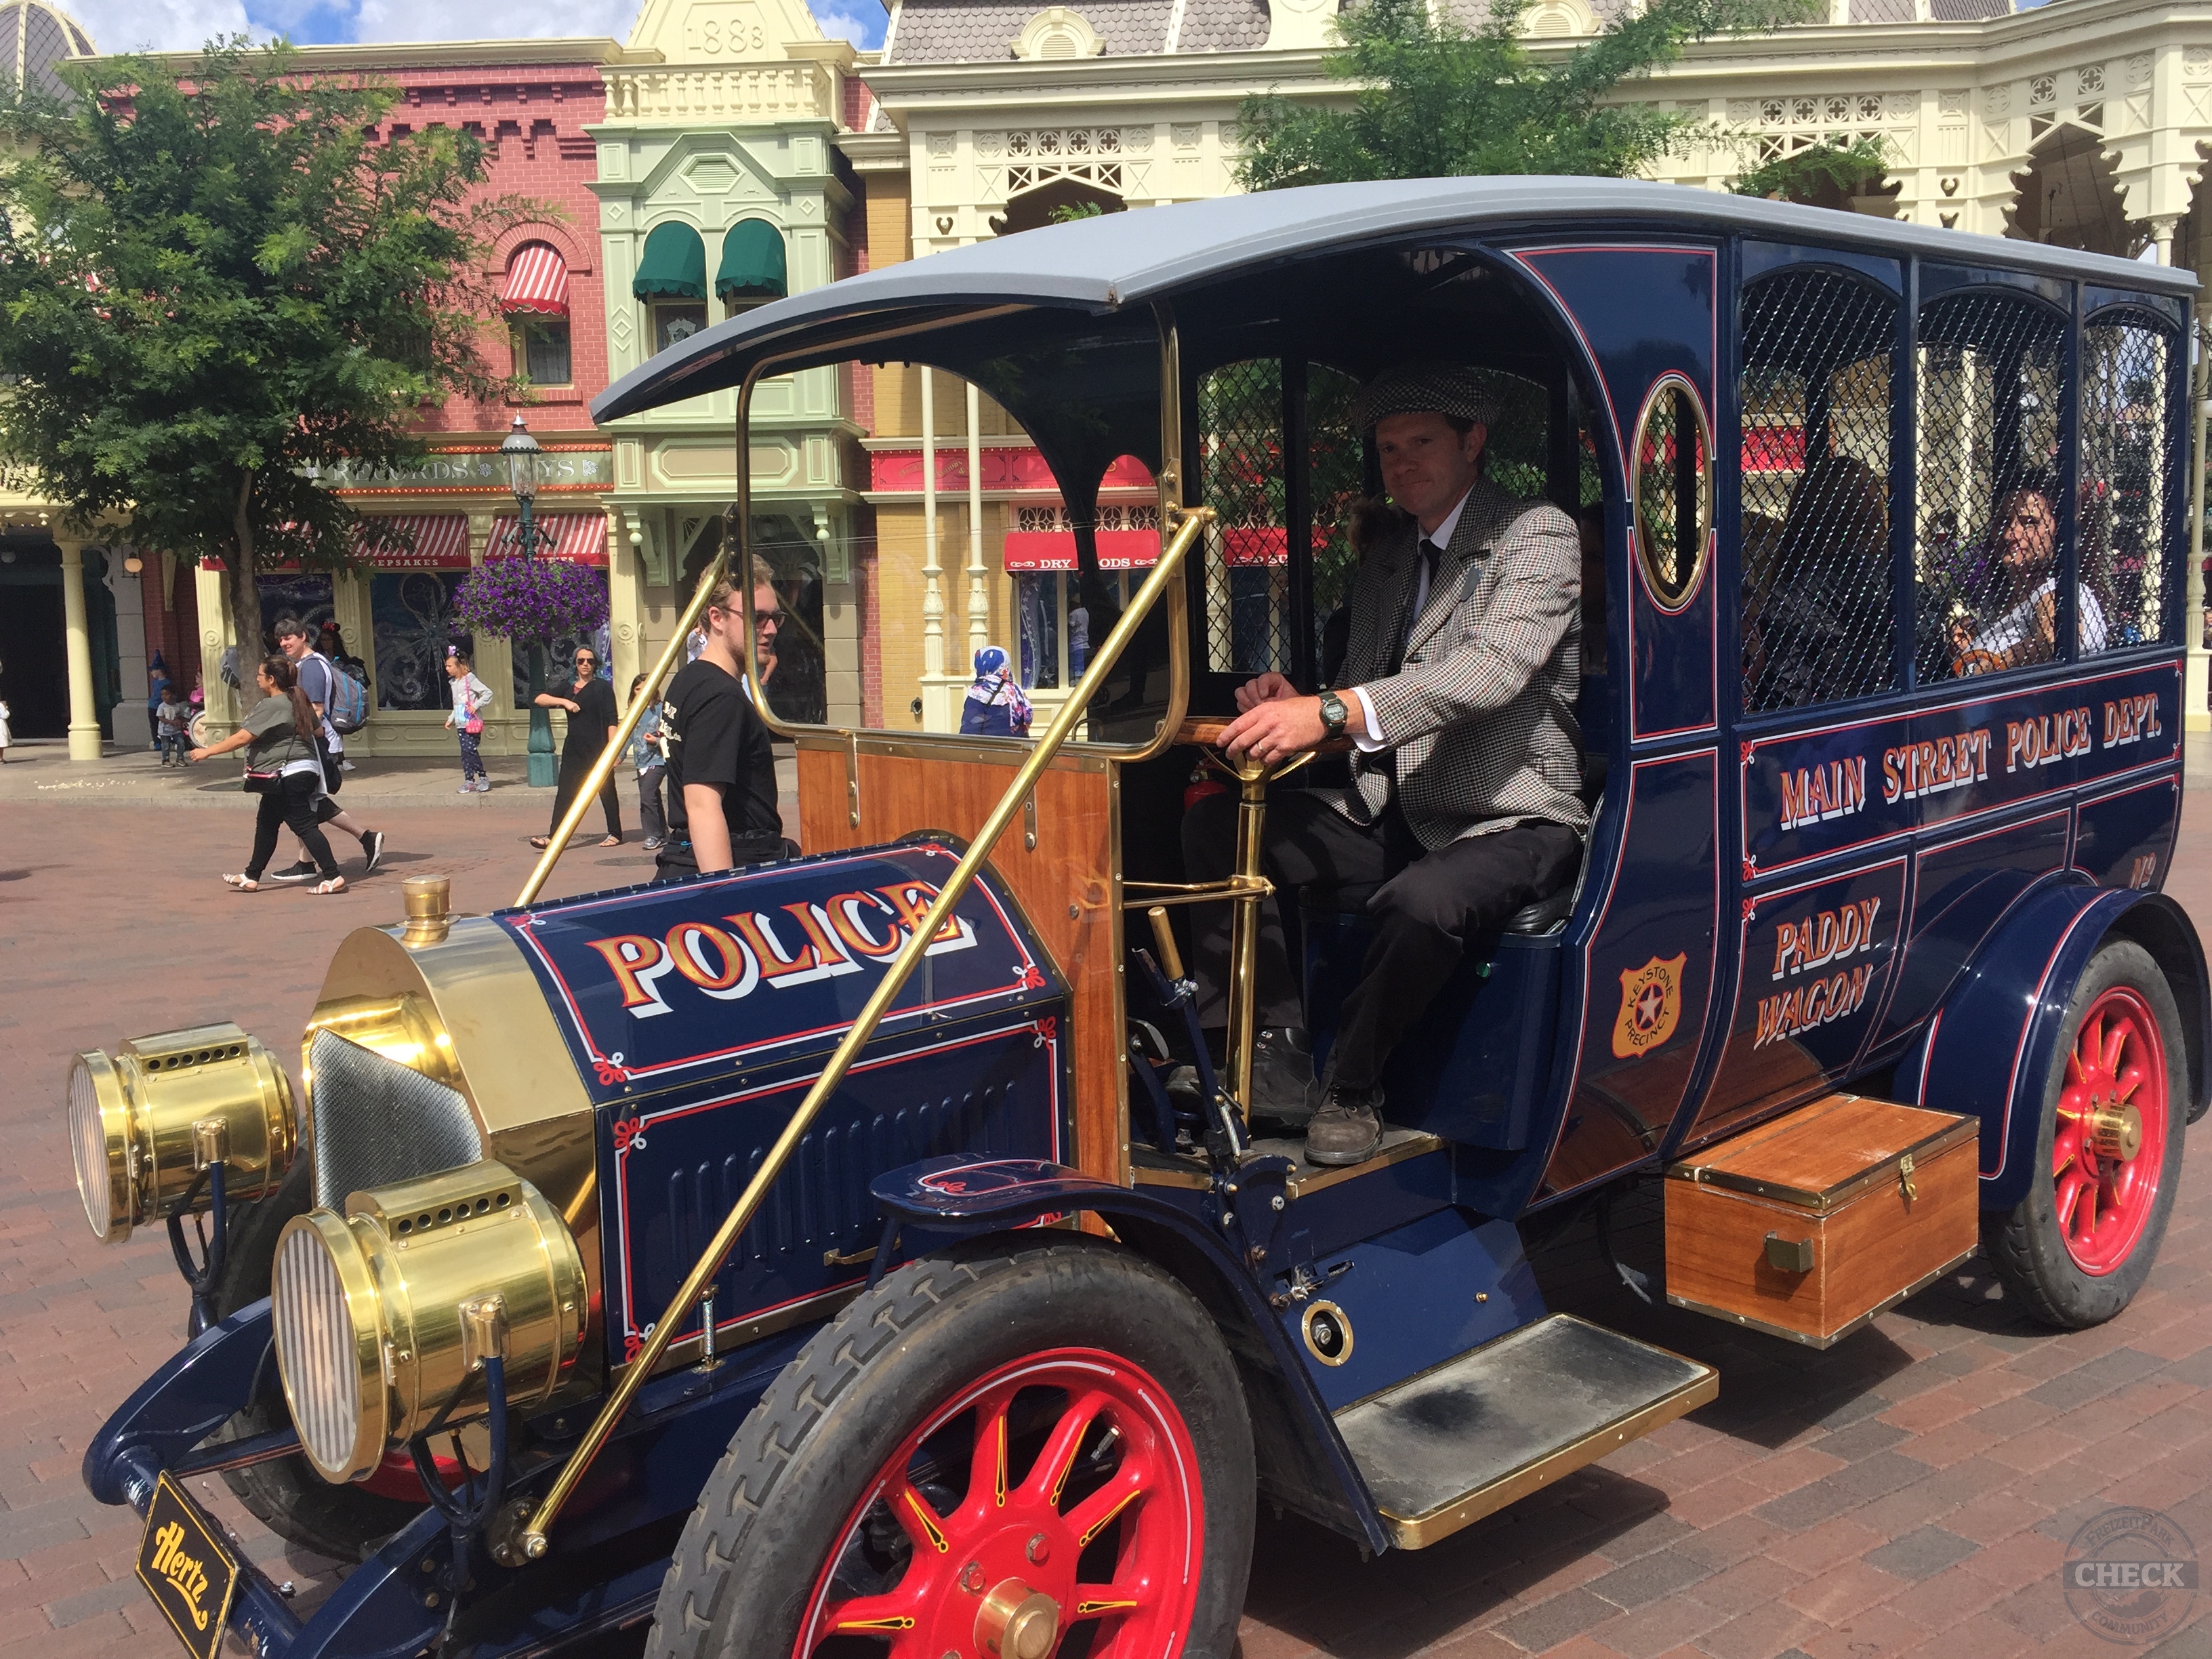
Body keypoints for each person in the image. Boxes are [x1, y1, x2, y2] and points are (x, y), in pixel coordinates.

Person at [1181, 364, 1586, 1166]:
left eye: (1422, 443)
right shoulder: (1391, 557)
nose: (1402, 463)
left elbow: (1491, 669)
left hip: (1511, 812)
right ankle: (1271, 1048)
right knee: (1218, 827)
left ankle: (1352, 1088)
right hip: (1394, 805)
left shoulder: (1537, 533)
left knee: (1421, 901)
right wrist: (1299, 699)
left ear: (1473, 443)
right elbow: (1370, 682)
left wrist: (1327, 714)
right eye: (1389, 448)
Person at [657, 571, 783, 879]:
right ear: (717, 618)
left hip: (690, 856)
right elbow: (702, 804)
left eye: (775, 618)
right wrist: (725, 895)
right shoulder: (721, 697)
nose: (769, 630)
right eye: (757, 617)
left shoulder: (688, 679)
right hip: (735, 859)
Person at [188, 655, 346, 895]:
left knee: (304, 826)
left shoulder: (272, 705)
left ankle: (333, 876)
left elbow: (243, 737)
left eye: (260, 676)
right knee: (266, 823)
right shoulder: (299, 699)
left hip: (286, 774)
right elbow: (319, 731)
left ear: (272, 680)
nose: (257, 679)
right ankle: (251, 876)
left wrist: (207, 751)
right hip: (300, 771)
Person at [264, 616, 386, 880]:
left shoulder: (311, 668)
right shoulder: (306, 665)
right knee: (309, 801)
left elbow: (315, 709)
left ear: (303, 637)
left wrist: (296, 736)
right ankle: (307, 861)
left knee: (306, 801)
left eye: (289, 638)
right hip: (316, 742)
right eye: (281, 639)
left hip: (317, 742)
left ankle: (364, 837)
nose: (285, 643)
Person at [1950, 479, 2106, 674]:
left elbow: (2058, 638)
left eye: (2030, 523)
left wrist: (1988, 666)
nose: (2010, 534)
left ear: (2060, 530)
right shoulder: (1995, 603)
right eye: (2002, 522)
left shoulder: (2057, 591)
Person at [531, 644, 622, 850]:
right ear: (575, 664)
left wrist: (613, 749)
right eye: (581, 661)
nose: (585, 665)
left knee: (606, 791)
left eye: (590, 661)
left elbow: (612, 720)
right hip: (574, 749)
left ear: (595, 663)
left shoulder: (603, 687)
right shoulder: (569, 686)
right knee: (565, 792)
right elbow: (540, 699)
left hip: (598, 749)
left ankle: (615, 833)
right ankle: (554, 837)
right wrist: (564, 702)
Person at [443, 647, 493, 794]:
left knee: (470, 750)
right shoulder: (453, 683)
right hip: (460, 722)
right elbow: (457, 704)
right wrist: (450, 719)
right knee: (465, 752)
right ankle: (469, 780)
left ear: (459, 665)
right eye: (446, 666)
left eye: (450, 666)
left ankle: (483, 777)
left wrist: (475, 705)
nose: (447, 669)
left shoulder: (470, 679)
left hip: (472, 722)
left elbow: (487, 693)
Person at [630, 672, 668, 851]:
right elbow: (628, 737)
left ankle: (653, 835)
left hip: (658, 759)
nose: (641, 692)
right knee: (652, 798)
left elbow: (668, 732)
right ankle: (663, 833)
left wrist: (656, 739)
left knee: (647, 794)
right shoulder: (633, 712)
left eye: (645, 688)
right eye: (638, 689)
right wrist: (619, 756)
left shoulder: (660, 709)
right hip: (641, 761)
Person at [960, 646, 1033, 737]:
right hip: (1015, 749)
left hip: (991, 749)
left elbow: (969, 730)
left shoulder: (980, 692)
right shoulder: (1017, 692)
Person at [155, 684, 194, 766]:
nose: (164, 697)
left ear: (173, 695)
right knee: (166, 746)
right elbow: (161, 718)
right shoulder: (162, 706)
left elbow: (179, 715)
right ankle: (165, 760)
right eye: (162, 695)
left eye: (167, 694)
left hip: (176, 730)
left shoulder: (177, 706)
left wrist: (180, 721)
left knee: (181, 743)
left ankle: (180, 758)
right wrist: (171, 722)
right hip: (164, 731)